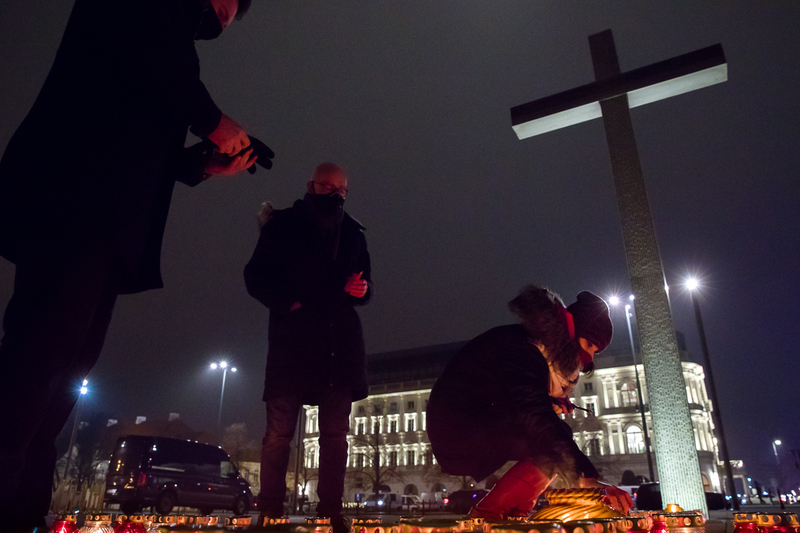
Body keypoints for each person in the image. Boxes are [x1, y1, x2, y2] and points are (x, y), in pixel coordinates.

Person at [0, 0, 256, 526]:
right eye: (231, 1)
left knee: (62, 372)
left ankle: (22, 508)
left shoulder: (169, 43)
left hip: (105, 219)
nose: (230, 15)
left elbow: (137, 127)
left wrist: (199, 163)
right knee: (37, 360)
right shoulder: (150, 17)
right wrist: (211, 120)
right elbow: (148, 56)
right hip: (73, 200)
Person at [426, 286, 633, 520]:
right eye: (589, 346)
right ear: (572, 333)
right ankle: (486, 516)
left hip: (465, 419)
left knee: (551, 440)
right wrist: (584, 476)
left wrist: (547, 402)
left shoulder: (535, 348)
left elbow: (513, 397)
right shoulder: (525, 349)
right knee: (551, 441)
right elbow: (533, 415)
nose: (588, 361)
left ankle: (515, 516)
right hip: (456, 424)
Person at [244, 163, 372, 531]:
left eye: (341, 189)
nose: (334, 194)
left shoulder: (353, 233)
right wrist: (289, 304)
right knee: (279, 432)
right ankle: (269, 508)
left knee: (335, 434)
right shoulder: (282, 225)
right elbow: (255, 276)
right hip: (293, 344)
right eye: (326, 186)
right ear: (310, 185)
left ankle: (330, 510)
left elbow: (365, 281)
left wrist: (363, 290)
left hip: (338, 344)